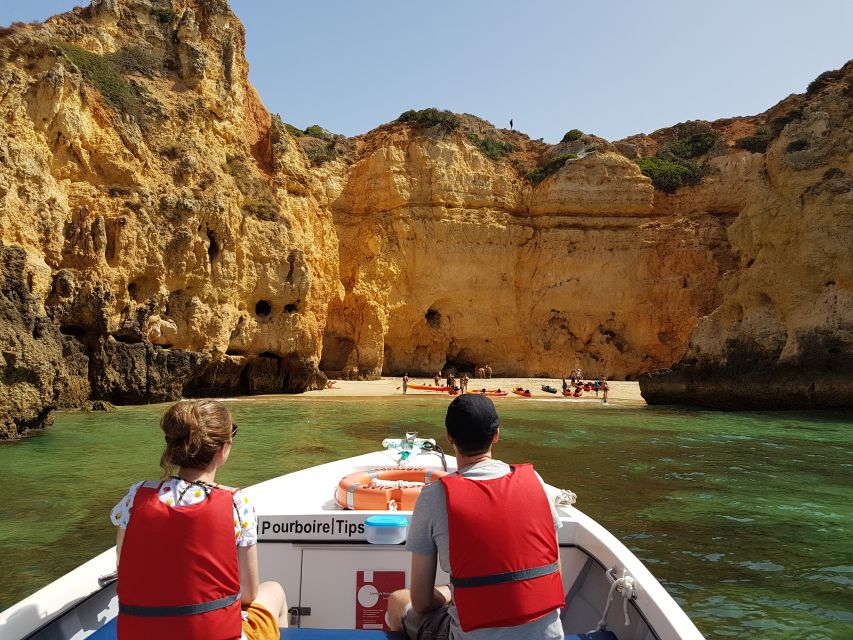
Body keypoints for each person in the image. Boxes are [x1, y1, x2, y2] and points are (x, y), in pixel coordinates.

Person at [386, 394, 564, 639]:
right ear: (496, 435)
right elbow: (556, 574)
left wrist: (451, 593)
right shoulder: (536, 482)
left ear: (449, 437)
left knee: (398, 601)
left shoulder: (434, 497)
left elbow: (421, 602)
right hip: (550, 636)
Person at [111, 400, 288, 640]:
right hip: (215, 634)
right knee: (275, 591)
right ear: (223, 449)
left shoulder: (137, 495)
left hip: (140, 635)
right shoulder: (237, 503)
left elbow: (123, 563)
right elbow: (248, 594)